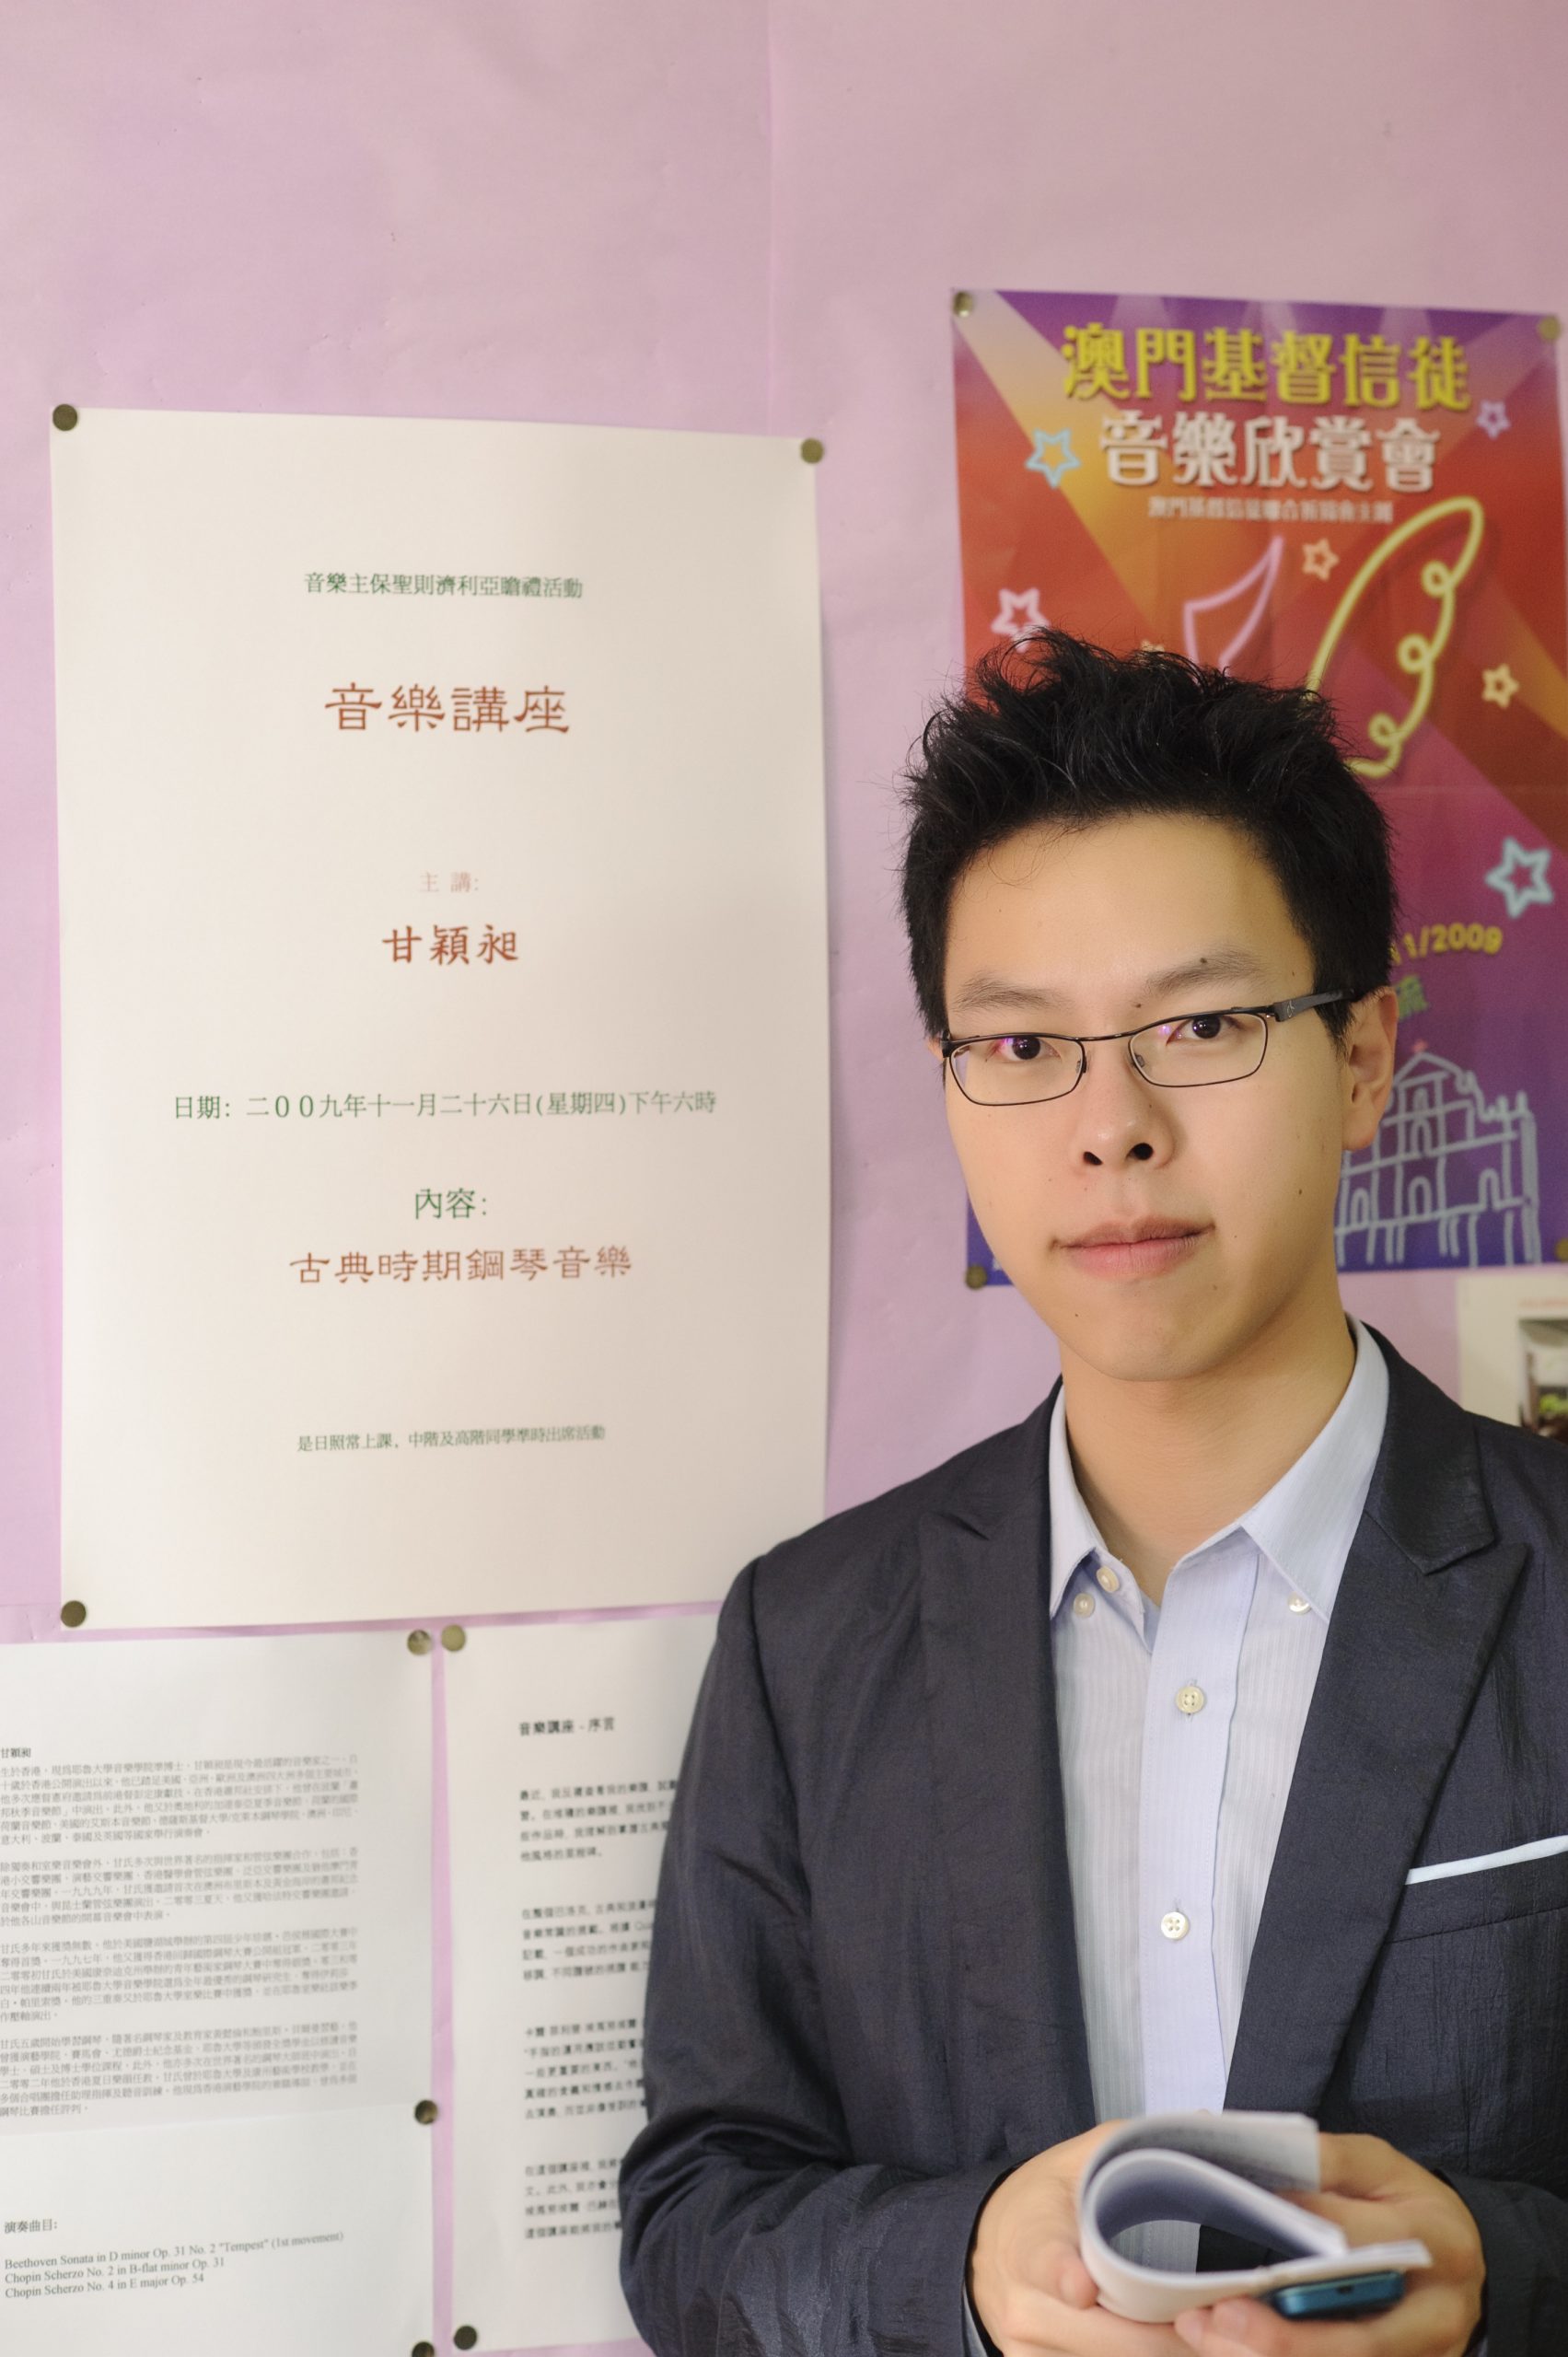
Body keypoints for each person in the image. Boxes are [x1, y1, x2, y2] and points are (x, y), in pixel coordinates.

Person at [619, 631, 1568, 2357]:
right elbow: (698, 2217)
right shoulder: (806, 1641)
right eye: (1020, 1044)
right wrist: (966, 2271)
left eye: (1202, 1025)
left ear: (1363, 1058)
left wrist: (1506, 2281)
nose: (1109, 1124)